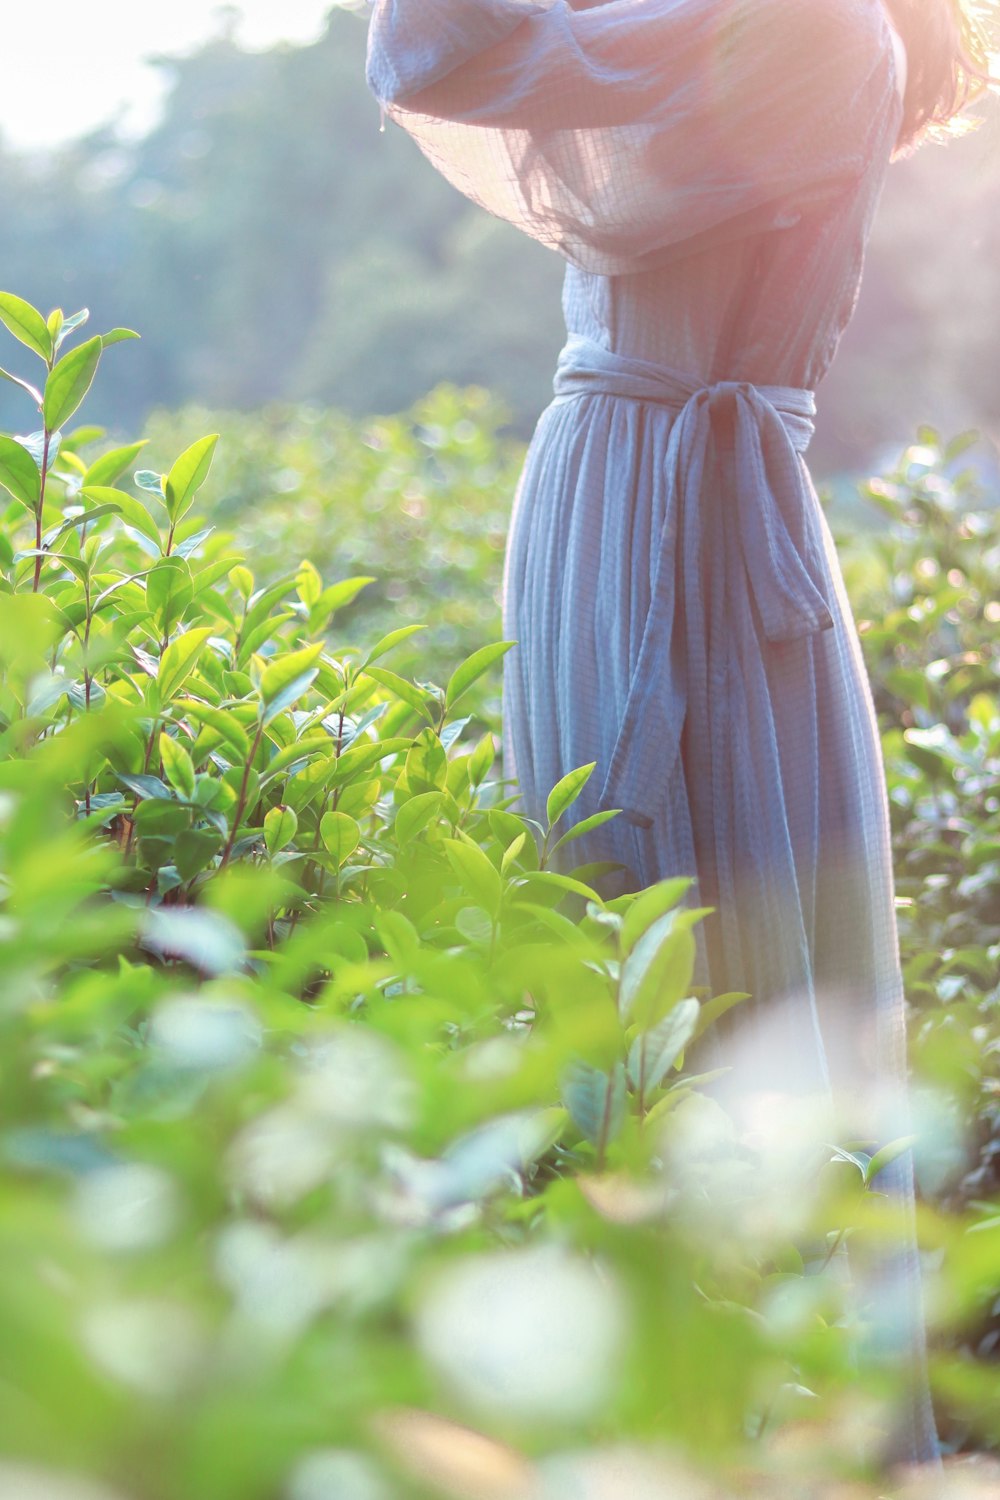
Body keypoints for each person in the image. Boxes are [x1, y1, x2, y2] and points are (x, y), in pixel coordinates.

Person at [364, 0, 996, 1469]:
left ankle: (743, 1419)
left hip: (684, 514)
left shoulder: (817, 32)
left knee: (696, 933)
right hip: (628, 486)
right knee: (624, 928)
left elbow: (450, 60)